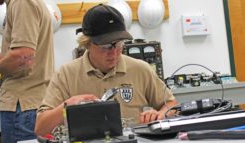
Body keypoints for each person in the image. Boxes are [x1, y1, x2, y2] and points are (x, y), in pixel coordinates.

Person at [34, 4, 177, 136]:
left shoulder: (140, 69)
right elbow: (41, 128)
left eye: (119, 44)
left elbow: (172, 105)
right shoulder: (66, 74)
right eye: (106, 46)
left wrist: (160, 115)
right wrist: (69, 105)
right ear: (87, 43)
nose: (114, 53)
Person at [0, 0, 54, 143]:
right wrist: (2, 57)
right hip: (30, 103)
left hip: (23, 105)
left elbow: (23, 57)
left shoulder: (21, 3)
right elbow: (30, 55)